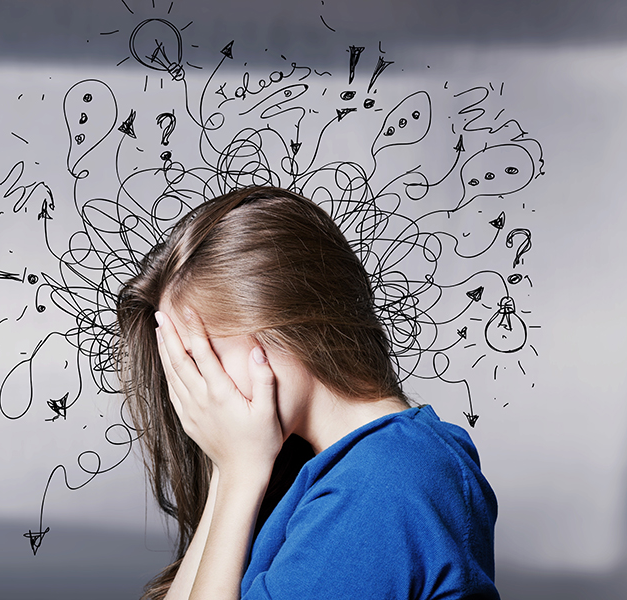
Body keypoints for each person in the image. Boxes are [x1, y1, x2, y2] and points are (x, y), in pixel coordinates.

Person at [116, 186, 499, 600]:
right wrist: (232, 471)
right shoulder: (353, 469)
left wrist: (240, 473)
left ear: (277, 324)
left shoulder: (384, 483)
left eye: (198, 359)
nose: (193, 393)